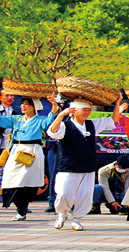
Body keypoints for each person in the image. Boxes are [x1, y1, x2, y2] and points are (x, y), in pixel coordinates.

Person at [46, 98, 117, 231]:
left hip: (87, 166)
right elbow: (53, 131)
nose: (87, 113)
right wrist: (61, 115)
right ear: (74, 110)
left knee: (84, 195)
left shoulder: (91, 124)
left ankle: (77, 219)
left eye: (89, 110)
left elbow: (113, 120)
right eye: (84, 110)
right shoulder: (65, 125)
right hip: (68, 166)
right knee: (63, 194)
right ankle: (62, 215)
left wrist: (118, 103)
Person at [0, 96, 58, 220]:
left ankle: (21, 211)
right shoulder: (17, 119)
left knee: (26, 183)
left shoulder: (40, 120)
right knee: (10, 180)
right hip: (16, 151)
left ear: (34, 107)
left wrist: (54, 105)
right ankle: (20, 208)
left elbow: (50, 120)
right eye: (22, 104)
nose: (23, 106)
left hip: (32, 152)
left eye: (27, 104)